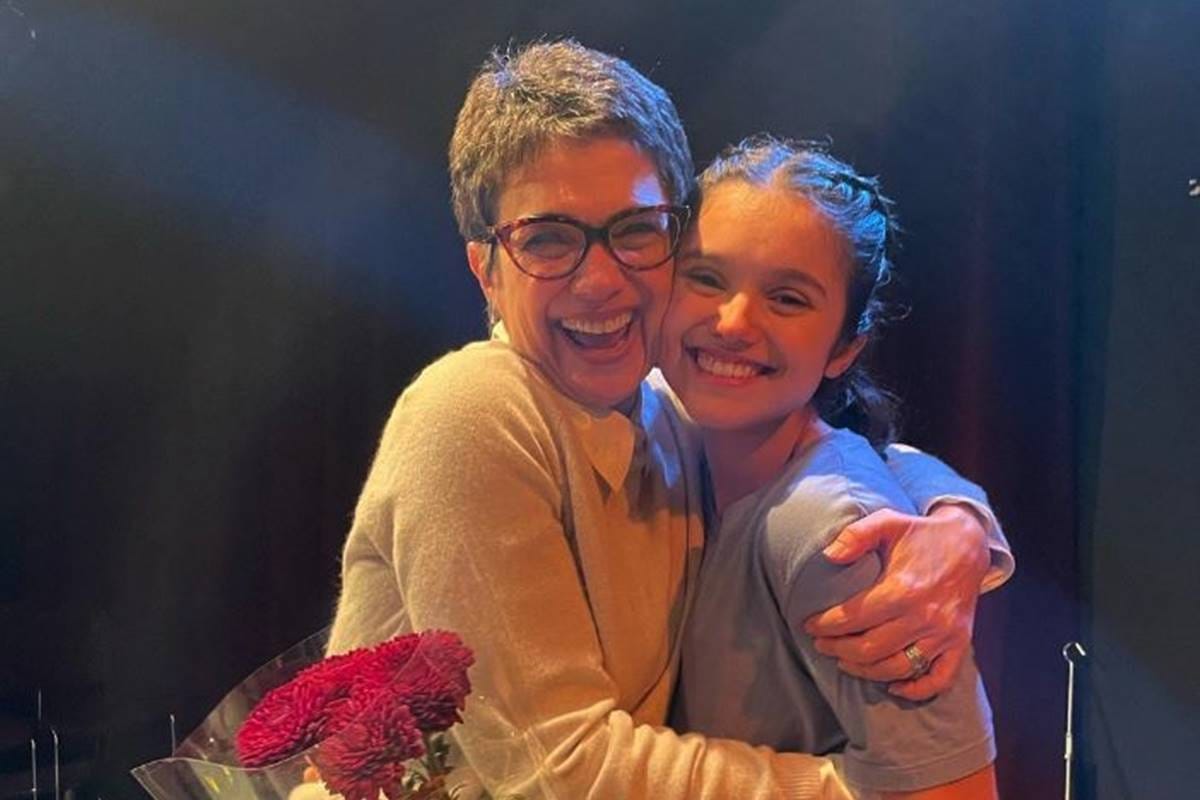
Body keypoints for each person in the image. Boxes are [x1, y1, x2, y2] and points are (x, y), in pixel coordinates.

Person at [327, 40, 1012, 798]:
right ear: (485, 268)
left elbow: (844, 452)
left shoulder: (666, 409)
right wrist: (853, 792)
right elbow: (559, 774)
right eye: (548, 239)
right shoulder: (473, 409)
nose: (599, 280)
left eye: (635, 230)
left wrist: (958, 525)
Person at [665, 137, 998, 798]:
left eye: (787, 298)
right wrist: (963, 514)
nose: (733, 322)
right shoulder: (667, 431)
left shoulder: (830, 529)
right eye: (706, 277)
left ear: (845, 348)